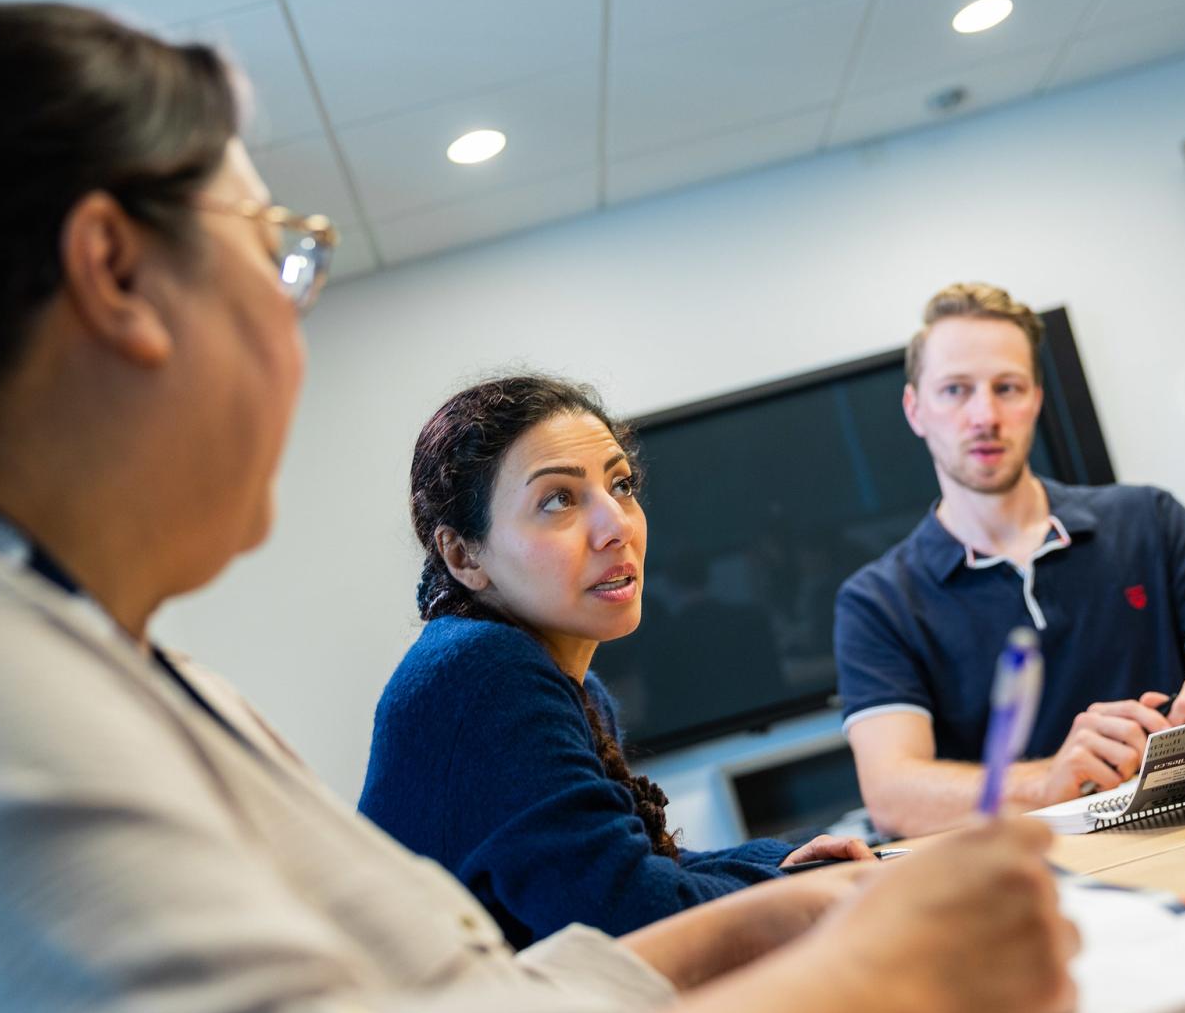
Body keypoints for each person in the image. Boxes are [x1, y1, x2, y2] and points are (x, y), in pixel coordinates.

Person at [0, 7, 1077, 1013]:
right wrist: (883, 982)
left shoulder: (76, 651)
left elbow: (422, 1005)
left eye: (622, 484)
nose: (292, 314)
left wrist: (763, 917)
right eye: (279, 252)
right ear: (114, 273)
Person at [360, 377, 862, 951]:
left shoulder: (564, 681)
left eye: (621, 486)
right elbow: (635, 915)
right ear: (463, 555)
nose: (617, 526)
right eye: (558, 500)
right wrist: (796, 883)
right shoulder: (484, 673)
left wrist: (788, 859)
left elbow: (642, 866)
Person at [835, 282, 1185, 838]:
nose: (985, 415)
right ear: (915, 409)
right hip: (1028, 879)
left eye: (1008, 387)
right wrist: (1050, 780)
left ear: (1037, 400)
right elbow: (893, 797)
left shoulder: (1149, 519)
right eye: (955, 390)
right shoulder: (876, 602)